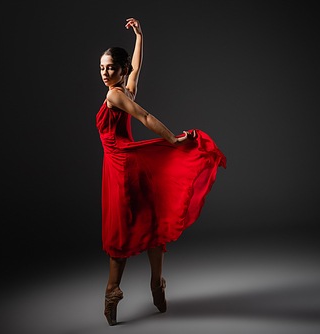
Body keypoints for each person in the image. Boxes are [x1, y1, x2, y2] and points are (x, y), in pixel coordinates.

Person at [97, 18, 226, 326]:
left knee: (122, 230)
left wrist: (172, 139)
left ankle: (113, 291)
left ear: (120, 70)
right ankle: (156, 284)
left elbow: (144, 116)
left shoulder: (115, 95)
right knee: (149, 224)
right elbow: (137, 69)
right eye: (102, 68)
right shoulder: (125, 91)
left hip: (121, 168)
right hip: (132, 167)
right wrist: (140, 37)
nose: (104, 73)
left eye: (110, 68)